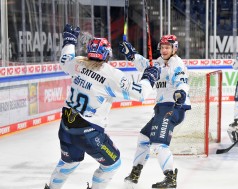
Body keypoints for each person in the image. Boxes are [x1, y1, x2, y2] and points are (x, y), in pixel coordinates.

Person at [44, 24, 160, 189]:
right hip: (89, 132)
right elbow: (141, 94)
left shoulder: (78, 63)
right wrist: (149, 77)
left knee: (68, 162)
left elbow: (65, 62)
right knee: (112, 164)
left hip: (66, 128)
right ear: (107, 54)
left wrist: (69, 41)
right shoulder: (111, 74)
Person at [118, 34, 190, 189]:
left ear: (174, 48)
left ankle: (170, 178)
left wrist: (181, 93)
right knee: (143, 137)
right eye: (162, 47)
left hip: (173, 107)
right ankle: (135, 172)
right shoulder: (158, 63)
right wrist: (131, 55)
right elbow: (145, 64)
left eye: (167, 47)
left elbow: (181, 81)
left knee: (159, 143)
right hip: (161, 109)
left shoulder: (176, 63)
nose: (164, 50)